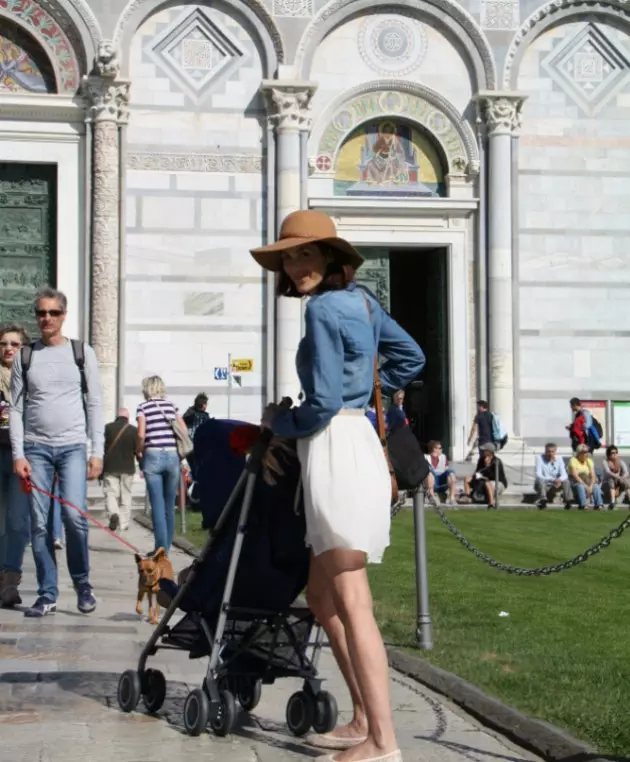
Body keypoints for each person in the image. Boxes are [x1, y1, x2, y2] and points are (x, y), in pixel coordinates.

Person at [250, 209, 425, 762]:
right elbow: (411, 357)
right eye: (290, 255)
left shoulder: (325, 309)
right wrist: (366, 389)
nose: (297, 265)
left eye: (306, 253)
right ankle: (360, 720)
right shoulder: (367, 303)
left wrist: (280, 421)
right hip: (360, 445)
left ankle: (383, 743)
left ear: (330, 258)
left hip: (334, 448)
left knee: (351, 600)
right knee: (323, 595)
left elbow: (322, 404)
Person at [10, 286, 104, 617]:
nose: (46, 318)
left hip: (72, 448)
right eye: (41, 313)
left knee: (74, 517)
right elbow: (17, 408)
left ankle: (83, 585)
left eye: (53, 312)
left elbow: (94, 401)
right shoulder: (26, 355)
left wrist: (98, 451)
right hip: (35, 449)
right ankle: (47, 593)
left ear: (63, 315)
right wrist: (18, 454)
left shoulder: (81, 352)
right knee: (39, 525)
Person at [0, 323, 31, 608]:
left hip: (21, 457)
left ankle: (10, 581)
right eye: (4, 344)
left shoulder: (31, 380)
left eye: (15, 344)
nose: (9, 348)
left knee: (18, 522)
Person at [136, 376, 186, 554]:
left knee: (156, 504)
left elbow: (141, 434)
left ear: (147, 389)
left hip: (153, 455)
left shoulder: (143, 407)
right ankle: (168, 549)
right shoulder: (172, 406)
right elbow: (184, 430)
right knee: (169, 504)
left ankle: (160, 548)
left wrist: (138, 450)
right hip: (173, 456)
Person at [103, 408, 137, 532]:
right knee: (126, 495)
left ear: (117, 417)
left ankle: (113, 514)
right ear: (127, 418)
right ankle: (123, 524)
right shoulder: (133, 430)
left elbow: (102, 447)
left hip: (111, 467)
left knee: (111, 493)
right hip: (128, 468)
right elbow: (137, 450)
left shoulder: (107, 428)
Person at [463, 443, 507, 509]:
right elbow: (477, 472)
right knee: (467, 479)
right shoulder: (481, 460)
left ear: (489, 451)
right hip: (483, 479)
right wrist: (477, 476)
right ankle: (468, 497)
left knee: (487, 483)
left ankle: (491, 503)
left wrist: (487, 466)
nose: (483, 451)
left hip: (497, 482)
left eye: (485, 450)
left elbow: (494, 477)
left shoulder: (496, 461)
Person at [534, 443, 572, 509]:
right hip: (544, 485)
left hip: (556, 485)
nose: (550, 453)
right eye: (548, 451)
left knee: (566, 481)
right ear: (545, 451)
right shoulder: (539, 458)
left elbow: (564, 474)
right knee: (540, 480)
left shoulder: (559, 459)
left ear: (555, 452)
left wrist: (559, 480)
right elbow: (539, 474)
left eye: (552, 451)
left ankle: (568, 500)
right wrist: (552, 479)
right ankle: (543, 500)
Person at [567, 444, 603, 510]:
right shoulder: (573, 460)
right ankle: (583, 505)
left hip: (587, 481)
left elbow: (593, 475)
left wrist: (591, 486)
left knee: (596, 486)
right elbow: (575, 476)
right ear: (578, 453)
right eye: (584, 452)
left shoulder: (589, 461)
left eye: (586, 452)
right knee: (580, 486)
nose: (586, 454)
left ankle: (599, 505)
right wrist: (586, 487)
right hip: (576, 482)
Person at [182, 392, 209, 477]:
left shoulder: (190, 413)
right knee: (197, 470)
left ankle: (188, 484)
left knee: (196, 469)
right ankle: (189, 482)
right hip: (195, 447)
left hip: (191, 447)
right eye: (205, 404)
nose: (206, 406)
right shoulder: (195, 415)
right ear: (203, 405)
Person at [424, 440, 456, 506]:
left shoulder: (443, 457)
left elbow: (446, 468)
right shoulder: (425, 457)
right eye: (440, 448)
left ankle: (452, 498)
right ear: (434, 449)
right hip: (430, 482)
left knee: (451, 473)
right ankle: (431, 498)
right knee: (429, 473)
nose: (442, 449)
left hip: (442, 481)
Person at [601, 445, 630, 510]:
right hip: (607, 484)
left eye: (616, 452)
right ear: (608, 455)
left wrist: (621, 478)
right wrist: (618, 477)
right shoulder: (605, 462)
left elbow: (626, 473)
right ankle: (612, 502)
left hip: (618, 484)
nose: (615, 454)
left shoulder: (621, 462)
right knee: (611, 479)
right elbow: (608, 472)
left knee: (626, 481)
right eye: (612, 453)